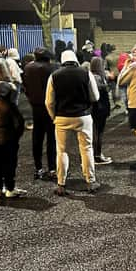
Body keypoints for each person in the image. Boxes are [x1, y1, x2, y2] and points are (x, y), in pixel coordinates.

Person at [45, 50, 100, 195]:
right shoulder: (85, 73)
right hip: (83, 116)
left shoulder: (54, 76)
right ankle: (90, 181)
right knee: (86, 148)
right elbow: (95, 96)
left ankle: (61, 183)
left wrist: (54, 117)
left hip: (62, 117)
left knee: (62, 151)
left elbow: (49, 102)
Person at [23, 48, 59, 179]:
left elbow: (25, 86)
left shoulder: (28, 68)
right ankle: (52, 168)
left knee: (37, 137)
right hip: (49, 106)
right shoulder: (52, 68)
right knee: (51, 138)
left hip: (35, 106)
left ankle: (38, 167)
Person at [90, 57, 113, 165]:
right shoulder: (97, 77)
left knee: (96, 132)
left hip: (96, 108)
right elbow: (101, 91)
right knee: (98, 132)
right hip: (100, 108)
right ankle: (97, 156)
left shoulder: (92, 76)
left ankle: (96, 154)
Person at [105, 45, 122, 109]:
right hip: (119, 73)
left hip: (112, 74)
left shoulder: (107, 57)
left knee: (113, 89)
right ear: (115, 49)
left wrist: (109, 73)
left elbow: (106, 68)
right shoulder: (119, 56)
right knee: (119, 88)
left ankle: (116, 103)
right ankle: (119, 101)